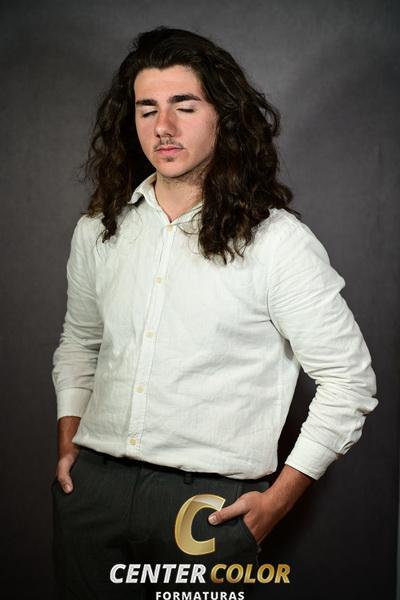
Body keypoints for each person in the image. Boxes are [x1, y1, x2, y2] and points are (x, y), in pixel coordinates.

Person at [51, 26, 378, 599]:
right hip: (93, 493)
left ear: (223, 117)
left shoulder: (277, 242)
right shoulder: (99, 230)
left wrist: (276, 504)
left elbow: (349, 382)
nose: (164, 126)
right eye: (147, 109)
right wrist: (69, 441)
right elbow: (80, 343)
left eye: (184, 106)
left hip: (206, 508)